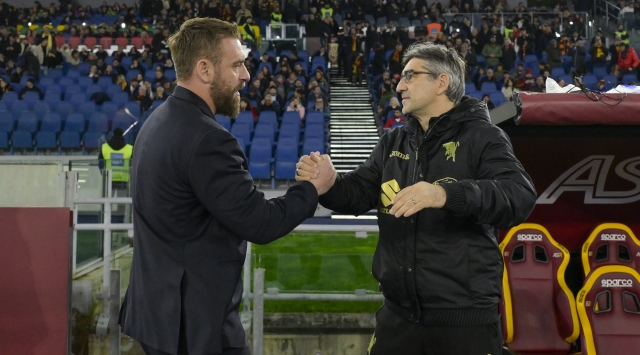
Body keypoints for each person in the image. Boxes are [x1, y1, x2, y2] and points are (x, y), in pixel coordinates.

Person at [296, 42, 536, 355]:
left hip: (463, 324)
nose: (399, 85)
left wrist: (445, 193)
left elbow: (519, 195)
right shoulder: (395, 140)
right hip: (398, 319)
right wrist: (329, 185)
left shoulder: (482, 136)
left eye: (410, 76)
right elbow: (358, 194)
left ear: (442, 82)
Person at [118, 18, 334, 355]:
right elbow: (260, 221)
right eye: (237, 65)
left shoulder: (155, 121)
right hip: (194, 325)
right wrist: (312, 188)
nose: (246, 75)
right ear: (204, 70)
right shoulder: (208, 139)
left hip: (158, 317)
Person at [98, 128, 133, 196]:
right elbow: (132, 165)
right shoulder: (129, 148)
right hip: (123, 180)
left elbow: (100, 164)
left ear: (113, 134)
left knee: (108, 202)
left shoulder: (105, 147)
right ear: (123, 135)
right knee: (122, 203)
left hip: (109, 179)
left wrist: (104, 175)